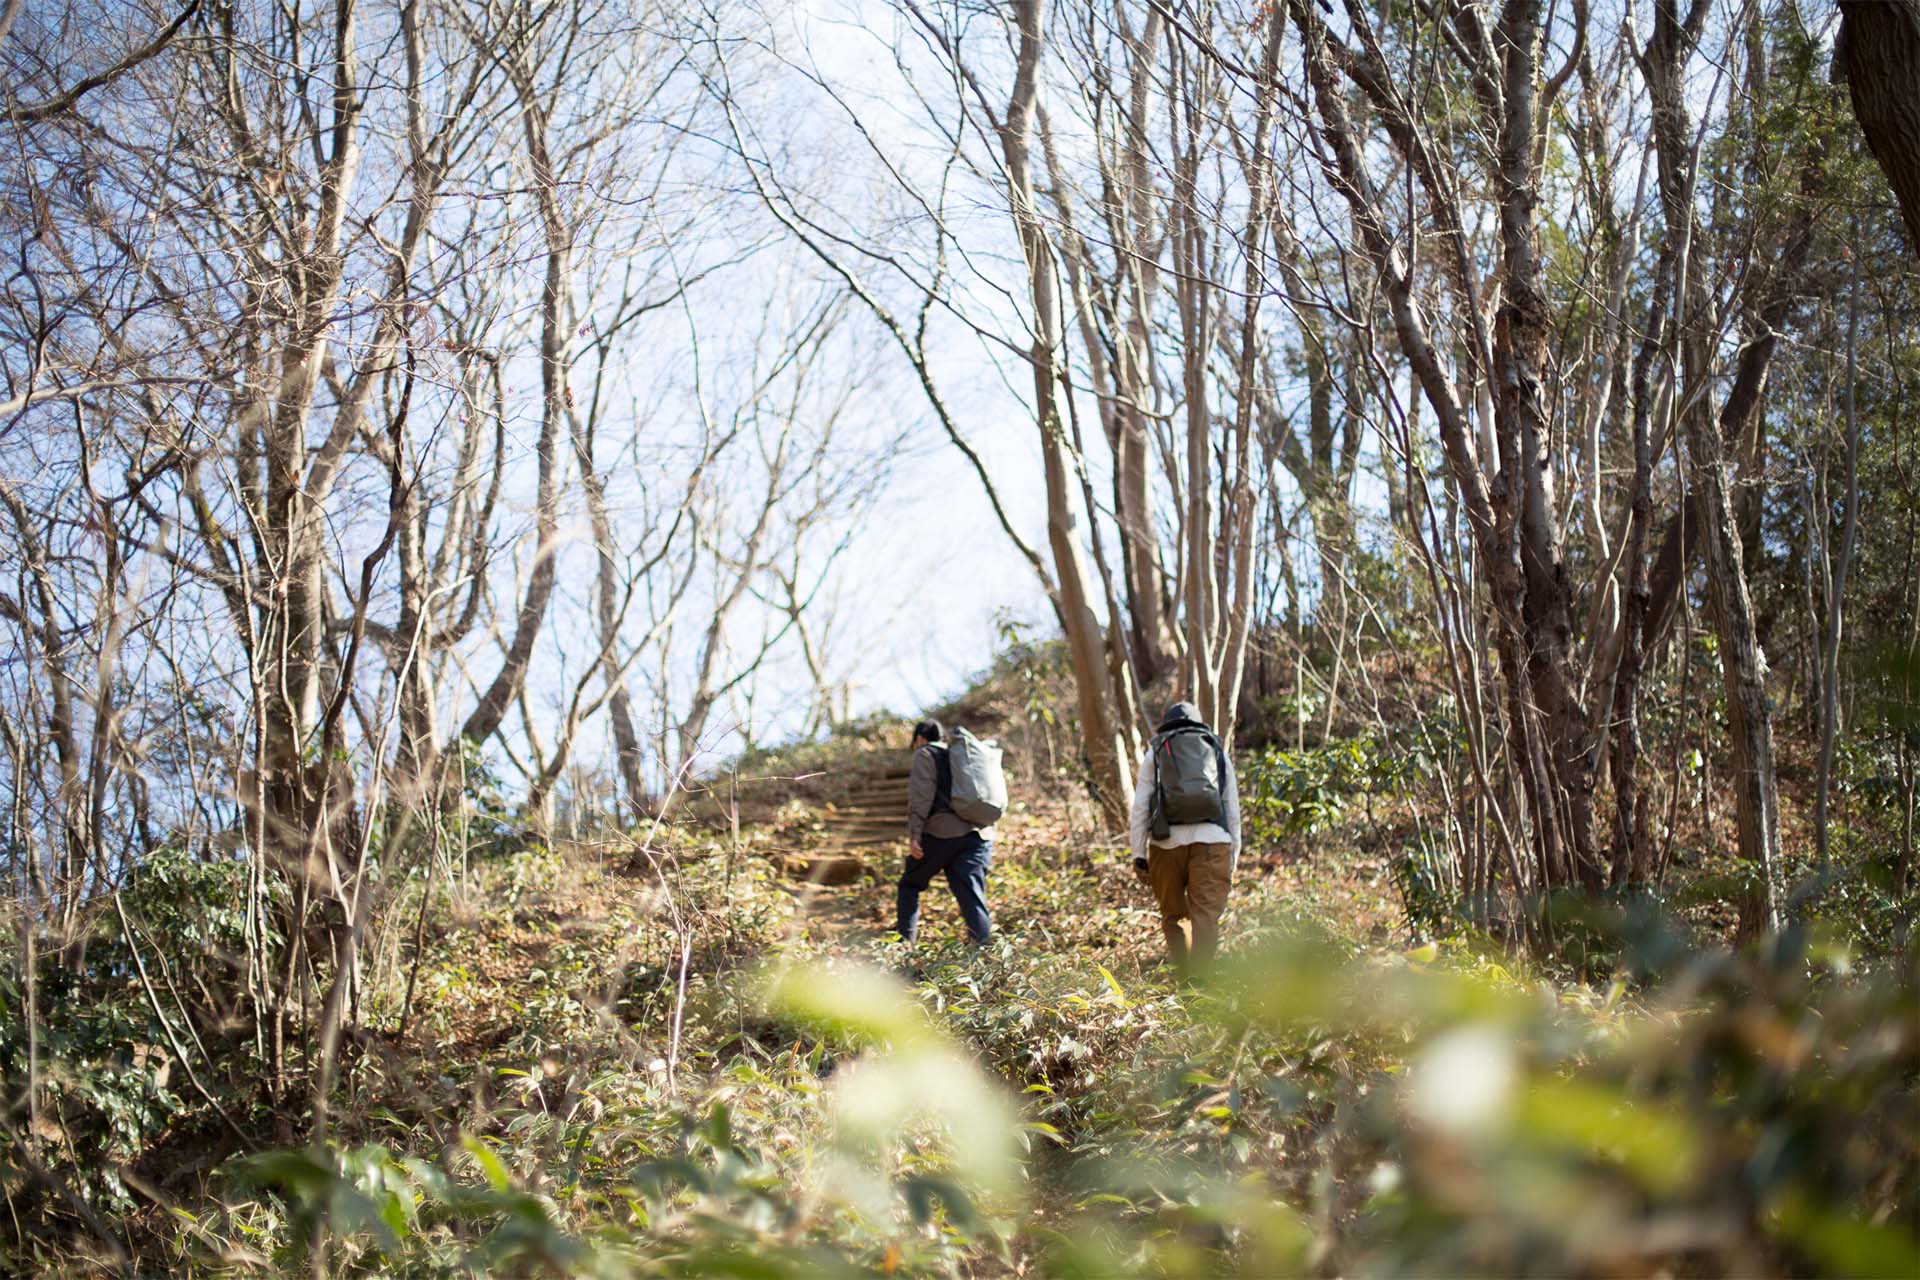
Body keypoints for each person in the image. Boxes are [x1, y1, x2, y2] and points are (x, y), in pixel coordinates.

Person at [1129, 701, 1240, 977]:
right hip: (1213, 841)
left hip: (1166, 845)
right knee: (1205, 917)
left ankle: (1182, 975)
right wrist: (1233, 853)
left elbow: (1141, 805)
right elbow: (1231, 805)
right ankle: (1200, 983)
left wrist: (1138, 853)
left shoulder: (1155, 751)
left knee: (1173, 915)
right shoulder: (1215, 749)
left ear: (1167, 724)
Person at [897, 719, 994, 944]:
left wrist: (915, 835)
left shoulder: (924, 754)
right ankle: (985, 953)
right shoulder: (957, 754)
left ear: (919, 739)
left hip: (942, 834)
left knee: (909, 884)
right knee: (971, 895)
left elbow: (921, 798)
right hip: (978, 835)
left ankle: (904, 945)